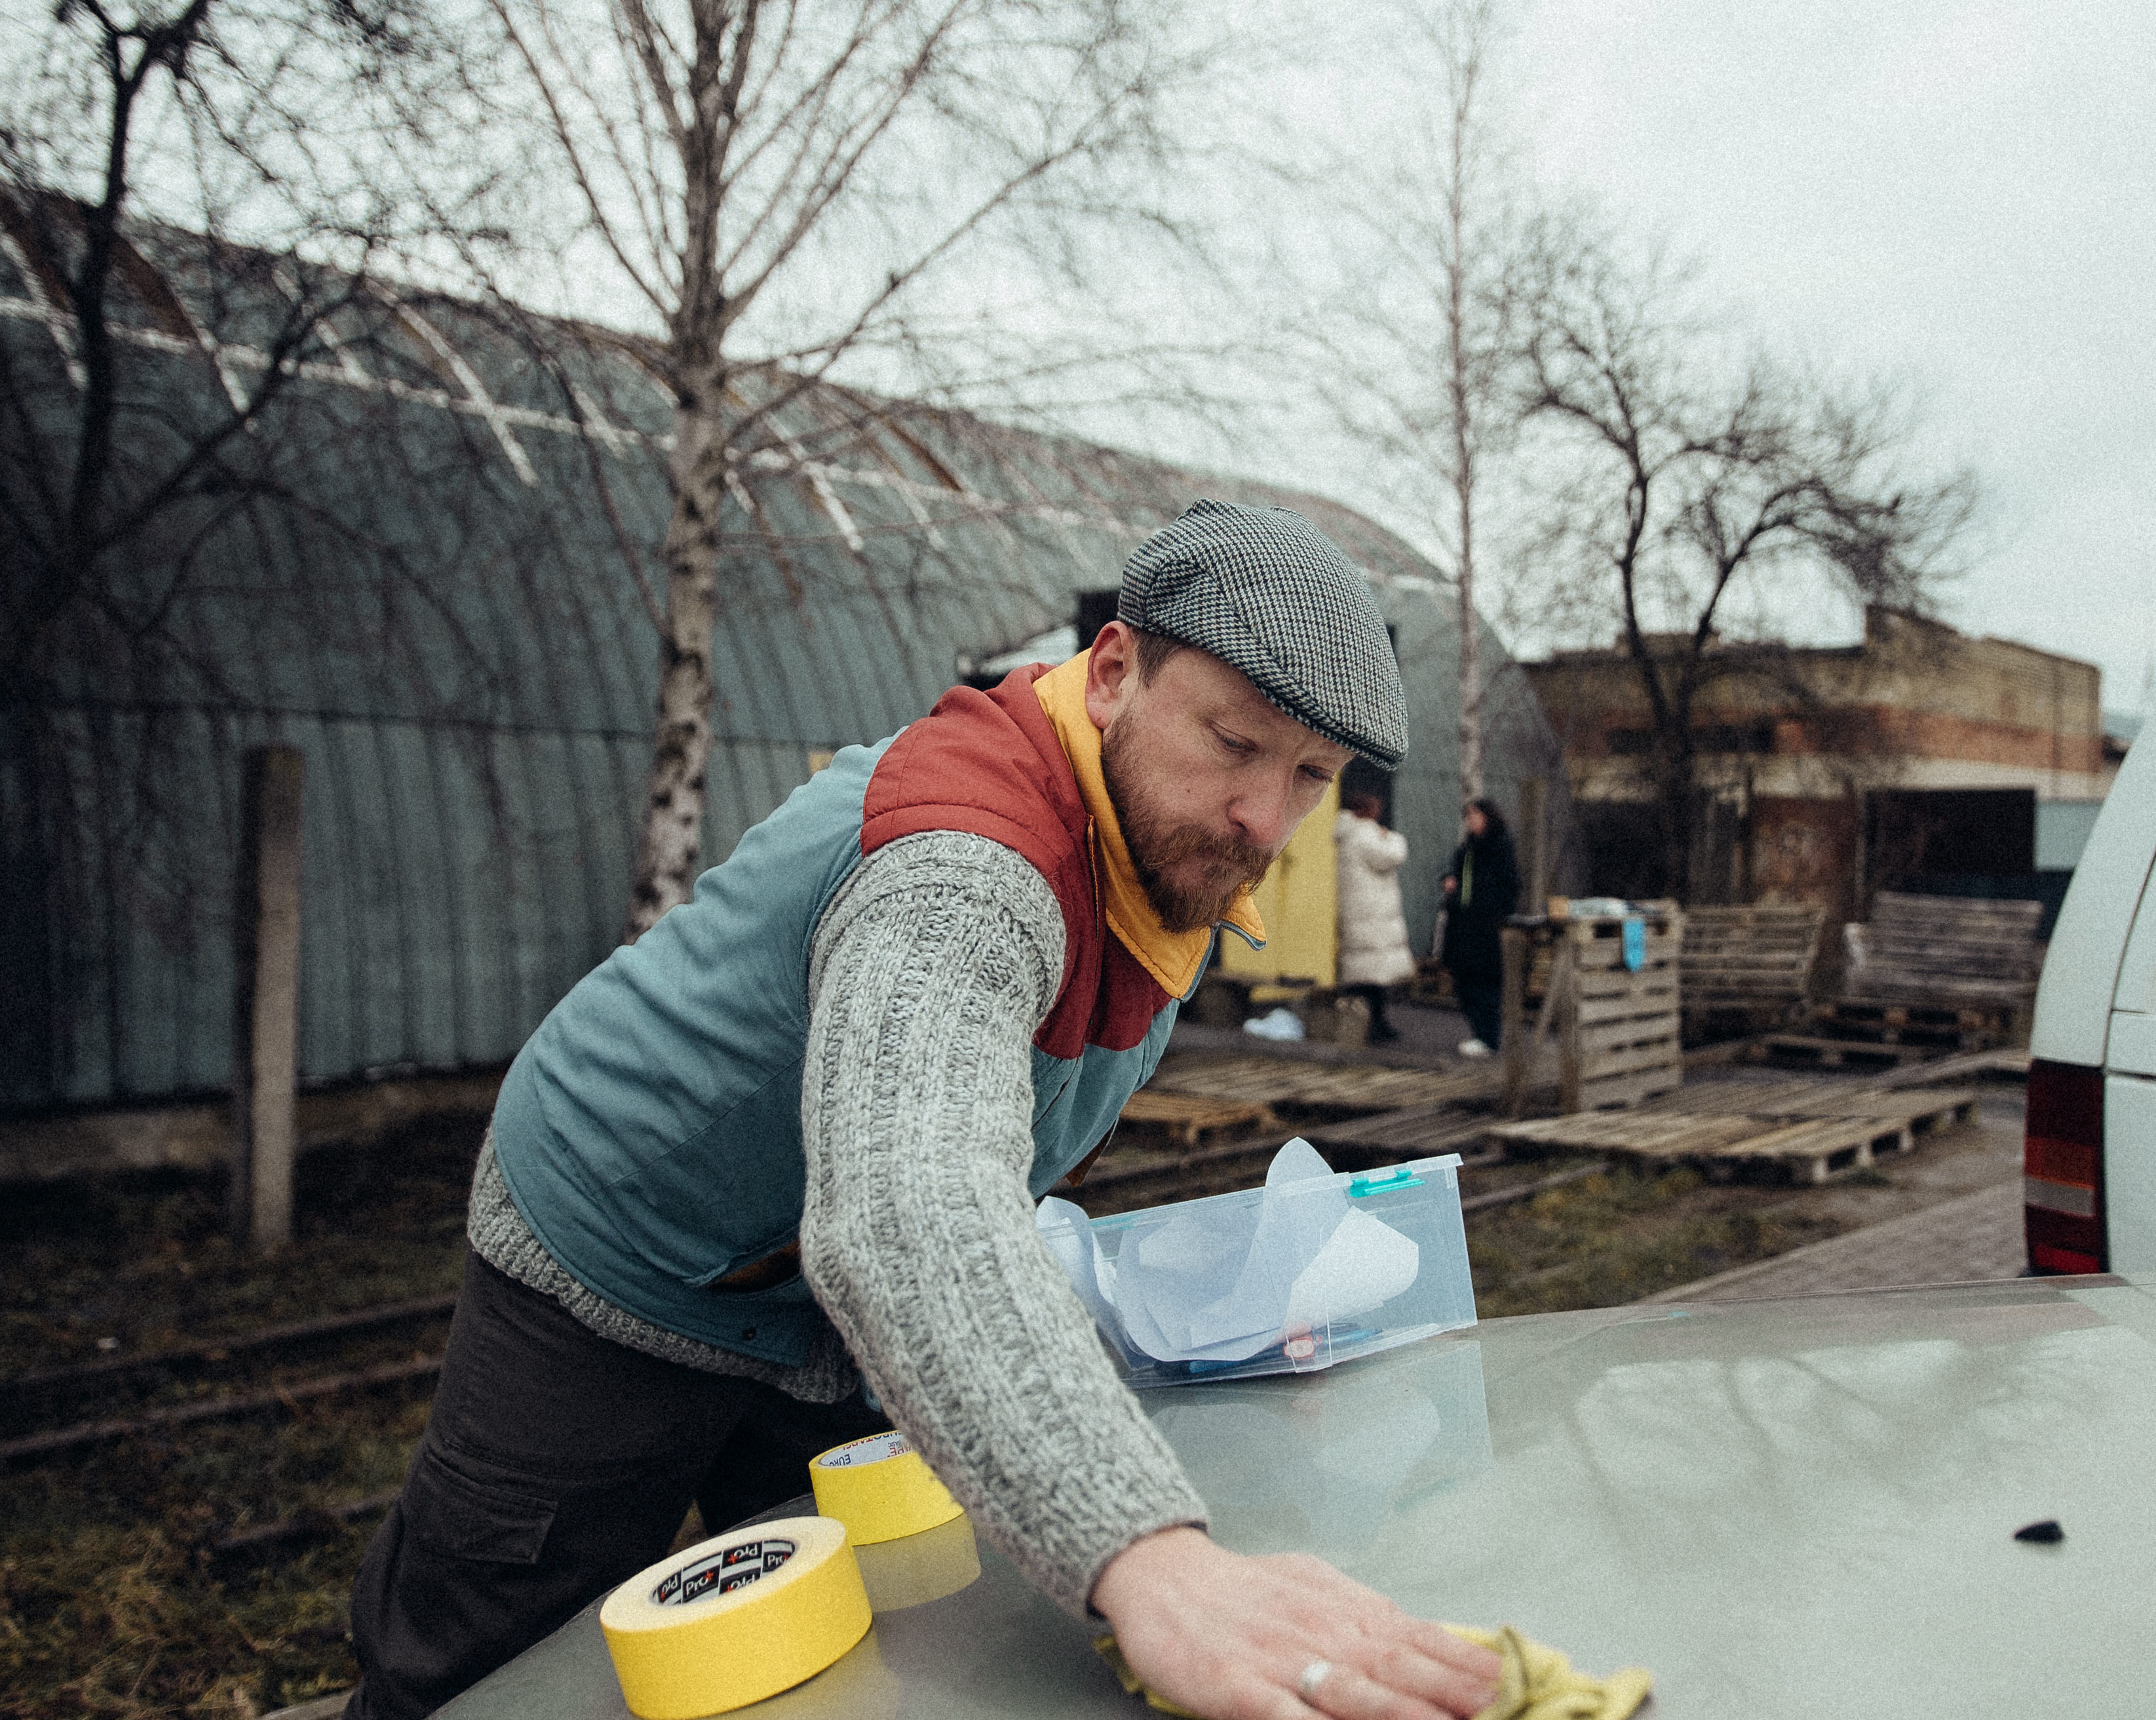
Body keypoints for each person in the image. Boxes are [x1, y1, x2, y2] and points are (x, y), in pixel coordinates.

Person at [343, 499, 1501, 1720]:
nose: (1266, 817)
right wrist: (1149, 1557)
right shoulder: (965, 866)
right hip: (616, 1254)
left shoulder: (1165, 845)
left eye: (1312, 775)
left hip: (812, 1299)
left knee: (867, 1650)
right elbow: (907, 1208)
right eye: (1233, 741)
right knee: (479, 1660)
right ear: (1112, 672)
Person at [1438, 798, 1520, 1057]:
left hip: (1485, 926)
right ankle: (1479, 1034)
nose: (1470, 821)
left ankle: (1488, 1037)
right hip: (1463, 923)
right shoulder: (1468, 849)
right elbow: (1459, 875)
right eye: (1468, 817)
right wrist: (1450, 882)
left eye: (1475, 816)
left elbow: (1511, 886)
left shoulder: (1499, 846)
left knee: (1485, 982)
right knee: (1464, 980)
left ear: (1487, 817)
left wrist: (1493, 914)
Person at [1334, 790, 1415, 1042]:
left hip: (1357, 913)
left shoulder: (1343, 832)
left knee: (1361, 974)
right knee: (1373, 977)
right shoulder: (1366, 833)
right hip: (1372, 916)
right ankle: (1374, 1027)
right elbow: (1393, 855)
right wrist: (1391, 837)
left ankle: (1363, 1024)